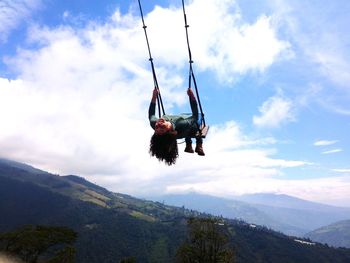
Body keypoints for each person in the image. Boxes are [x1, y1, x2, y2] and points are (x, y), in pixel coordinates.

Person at [149, 87, 205, 165]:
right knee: (199, 118)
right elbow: (195, 116)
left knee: (184, 120)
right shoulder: (181, 124)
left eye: (156, 128)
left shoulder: (155, 123)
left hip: (182, 118)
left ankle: (188, 146)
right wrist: (192, 96)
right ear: (171, 131)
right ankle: (199, 145)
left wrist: (154, 95)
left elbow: (151, 114)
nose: (158, 124)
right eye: (162, 128)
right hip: (191, 125)